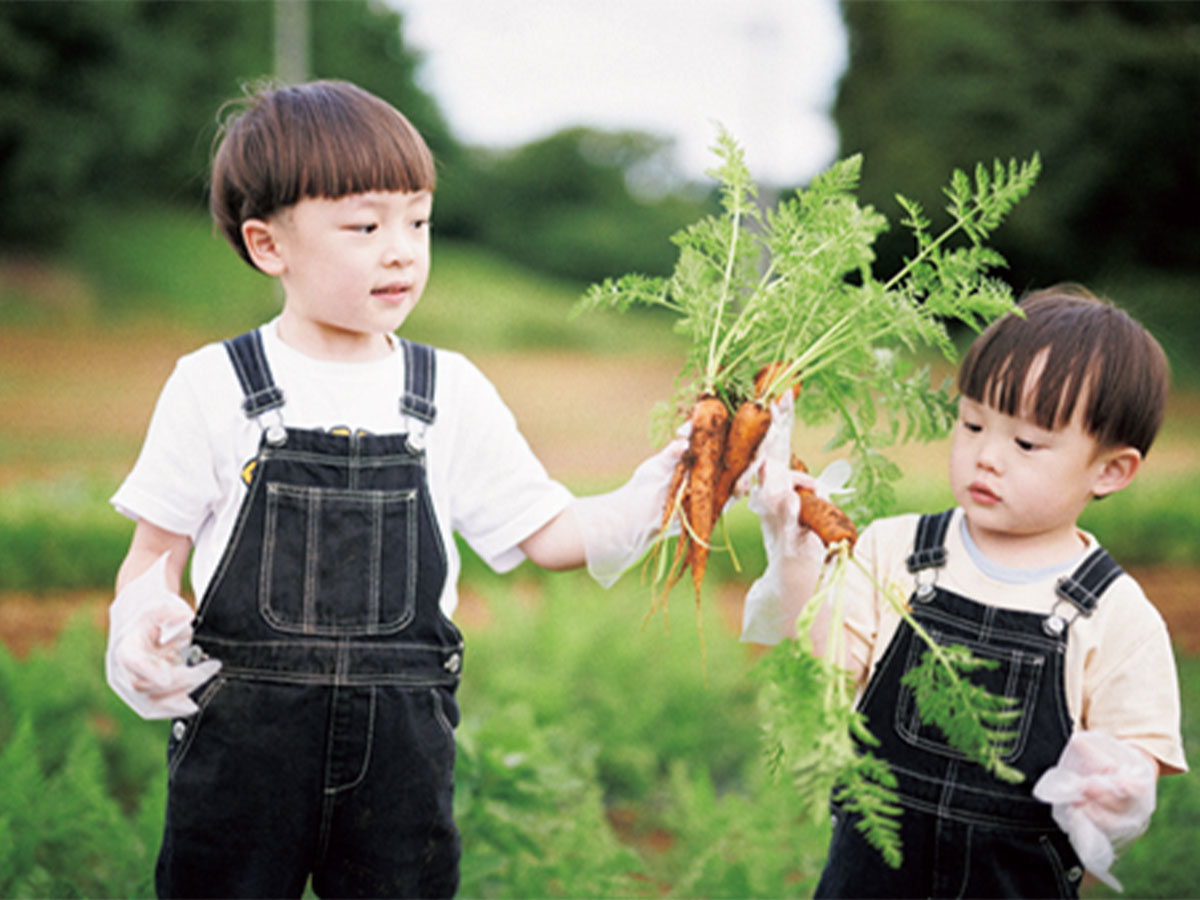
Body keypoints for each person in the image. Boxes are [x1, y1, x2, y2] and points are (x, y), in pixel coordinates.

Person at [103, 79, 681, 899]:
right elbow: (151, 558)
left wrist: (671, 487)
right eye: (366, 226)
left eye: (419, 221)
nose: (402, 249)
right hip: (243, 752)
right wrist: (138, 623)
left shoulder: (449, 390)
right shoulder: (214, 385)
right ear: (270, 246)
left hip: (400, 760)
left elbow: (552, 535)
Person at [742, 285, 1187, 897]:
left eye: (1026, 443)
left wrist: (1114, 789)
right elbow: (821, 674)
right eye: (973, 423)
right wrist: (792, 549)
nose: (986, 457)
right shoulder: (891, 551)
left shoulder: (1116, 613)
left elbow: (1138, 759)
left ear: (1110, 470)